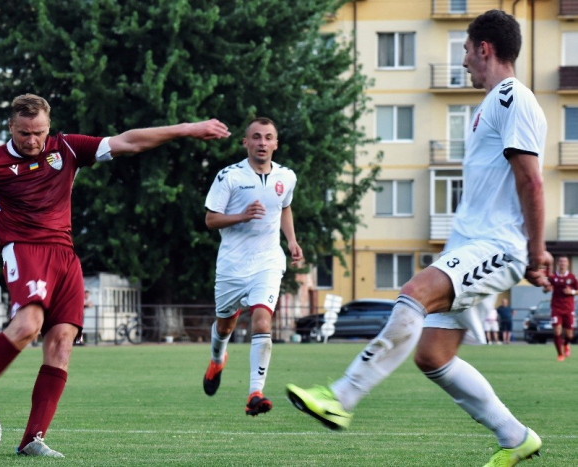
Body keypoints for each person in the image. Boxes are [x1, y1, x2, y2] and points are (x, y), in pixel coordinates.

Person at [285, 10, 551, 467]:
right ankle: (515, 436)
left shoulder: (511, 97)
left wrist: (536, 250)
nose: (464, 60)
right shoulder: (490, 104)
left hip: (497, 245)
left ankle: (342, 398)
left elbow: (531, 181)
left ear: (484, 48)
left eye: (466, 50)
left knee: (412, 294)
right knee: (432, 356)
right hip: (470, 245)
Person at [0, 93, 230, 457]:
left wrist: (187, 128)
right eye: (24, 133)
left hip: (66, 258)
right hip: (24, 250)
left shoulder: (67, 149)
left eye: (39, 132)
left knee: (60, 345)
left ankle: (31, 440)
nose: (32, 140)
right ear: (11, 127)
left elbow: (129, 141)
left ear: (48, 126)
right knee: (27, 327)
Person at [202, 117, 303, 416]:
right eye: (256, 137)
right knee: (225, 326)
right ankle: (217, 359)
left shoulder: (287, 176)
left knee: (262, 321)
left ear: (275, 144)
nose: (262, 142)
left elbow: (284, 207)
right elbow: (210, 220)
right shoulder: (228, 177)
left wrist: (292, 241)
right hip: (232, 266)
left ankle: (254, 393)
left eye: (268, 137)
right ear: (245, 142)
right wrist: (242, 216)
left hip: (268, 262)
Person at [542, 255, 577, 361]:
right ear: (558, 263)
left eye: (564, 261)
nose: (562, 263)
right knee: (557, 331)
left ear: (567, 264)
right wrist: (547, 289)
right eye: (561, 261)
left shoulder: (571, 277)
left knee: (569, 334)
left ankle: (566, 344)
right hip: (556, 308)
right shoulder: (553, 277)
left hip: (568, 308)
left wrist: (571, 292)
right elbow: (544, 290)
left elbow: (577, 290)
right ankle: (560, 354)